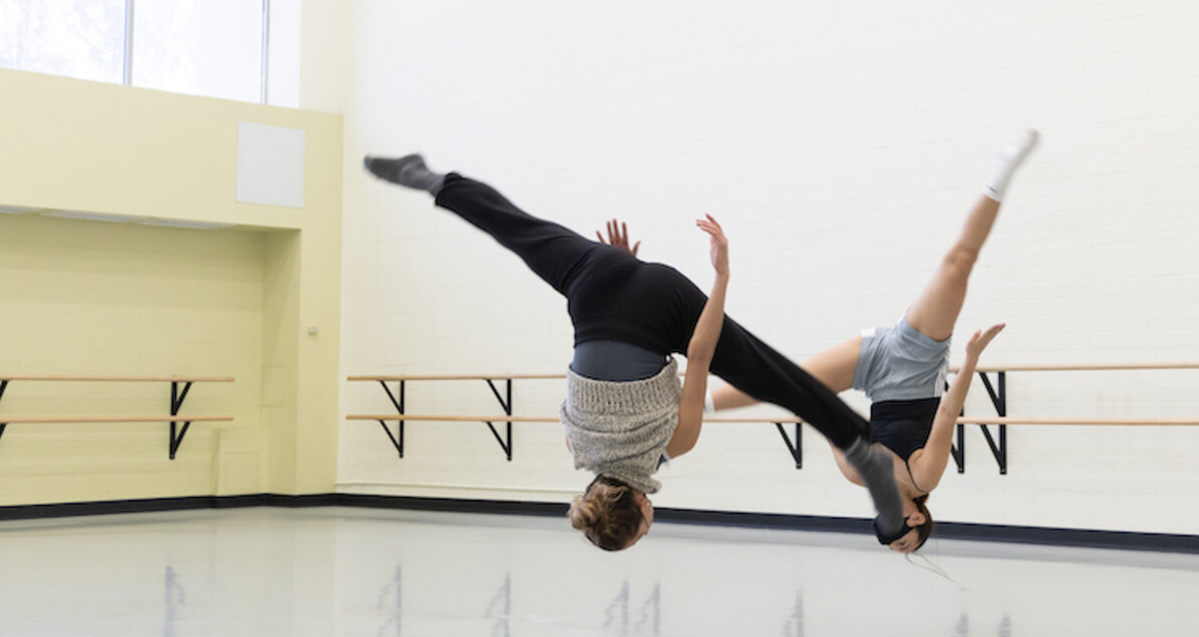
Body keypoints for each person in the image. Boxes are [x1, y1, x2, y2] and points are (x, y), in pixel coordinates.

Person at [362, 153, 914, 551]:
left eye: (647, 525)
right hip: (594, 280)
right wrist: (619, 269)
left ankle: (858, 445)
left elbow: (700, 352)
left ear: (644, 509)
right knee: (516, 230)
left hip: (663, 304)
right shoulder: (575, 445)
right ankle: (433, 180)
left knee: (777, 378)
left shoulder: (678, 441)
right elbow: (594, 367)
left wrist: (721, 275)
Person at [709, 129, 1039, 555]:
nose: (885, 519)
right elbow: (948, 413)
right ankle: (1001, 173)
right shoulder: (926, 476)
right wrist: (972, 358)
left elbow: (815, 407)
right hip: (916, 360)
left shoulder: (855, 473)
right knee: (958, 264)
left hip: (870, 365)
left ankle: (698, 405)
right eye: (899, 531)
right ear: (917, 516)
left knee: (785, 380)